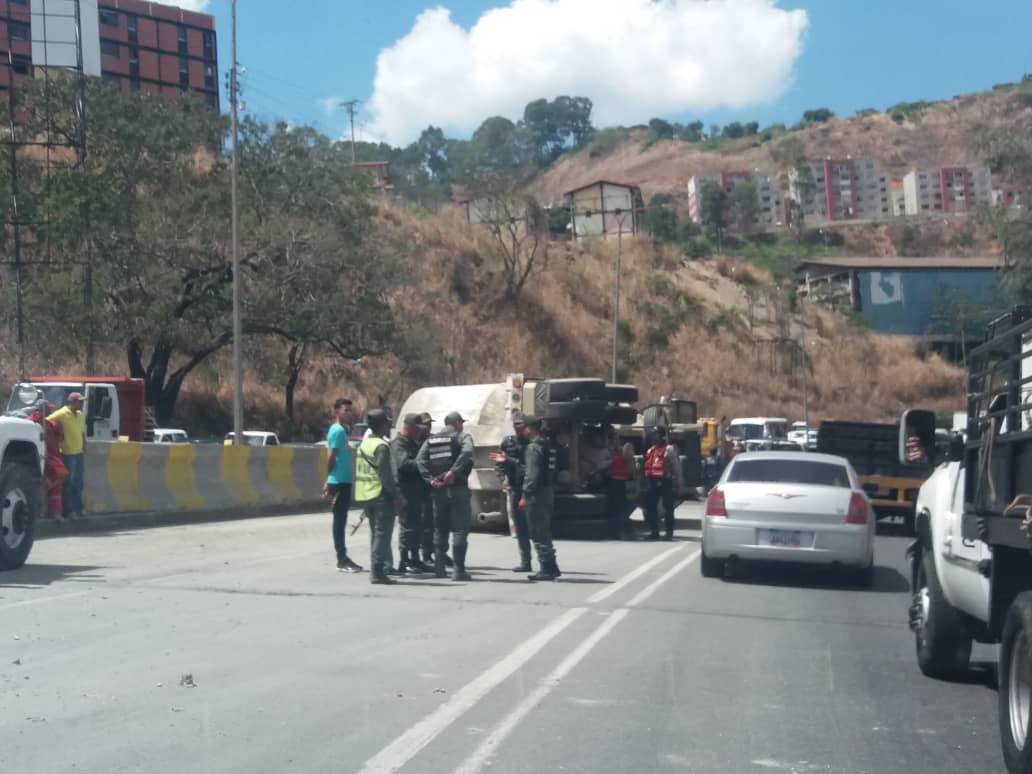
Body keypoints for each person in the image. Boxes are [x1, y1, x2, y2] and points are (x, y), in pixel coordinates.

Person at [417, 410, 474, 581]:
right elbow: (468, 452)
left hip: (438, 490)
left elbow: (420, 460)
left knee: (440, 530)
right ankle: (458, 571)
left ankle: (439, 569)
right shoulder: (461, 436)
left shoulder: (431, 439)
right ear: (457, 423)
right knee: (459, 529)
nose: (462, 425)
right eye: (461, 422)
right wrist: (453, 471)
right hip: (457, 489)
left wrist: (430, 480)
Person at [354, 409, 400, 585]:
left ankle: (376, 569)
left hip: (365, 495)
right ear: (382, 424)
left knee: (375, 533)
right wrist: (395, 496)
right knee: (382, 535)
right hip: (380, 495)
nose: (389, 425)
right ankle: (377, 571)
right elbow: (386, 475)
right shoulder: (381, 446)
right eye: (388, 422)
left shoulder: (363, 445)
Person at [322, 398, 362, 572]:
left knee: (342, 518)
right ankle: (341, 558)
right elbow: (331, 457)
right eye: (346, 410)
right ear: (337, 411)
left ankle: (344, 557)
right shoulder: (337, 430)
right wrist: (329, 480)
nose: (349, 413)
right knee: (339, 520)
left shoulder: (342, 431)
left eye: (350, 410)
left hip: (343, 481)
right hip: (338, 481)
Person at [519, 417, 560, 581]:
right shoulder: (548, 445)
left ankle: (546, 568)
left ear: (530, 428)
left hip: (537, 494)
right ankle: (552, 566)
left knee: (537, 531)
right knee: (544, 530)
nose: (522, 431)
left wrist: (525, 495)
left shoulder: (534, 447)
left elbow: (532, 475)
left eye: (524, 428)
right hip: (548, 491)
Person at [391, 413, 432, 574]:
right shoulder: (399, 444)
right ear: (407, 427)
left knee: (417, 527)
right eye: (416, 428)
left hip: (416, 492)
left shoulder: (412, 443)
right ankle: (404, 560)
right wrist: (422, 464)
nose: (419, 431)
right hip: (404, 492)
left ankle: (415, 559)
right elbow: (403, 465)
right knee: (407, 528)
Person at [492, 413, 531, 572]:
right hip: (515, 487)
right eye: (516, 425)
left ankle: (545, 561)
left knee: (535, 526)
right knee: (521, 527)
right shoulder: (508, 442)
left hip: (531, 488)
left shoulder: (533, 442)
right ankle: (525, 561)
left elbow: (529, 466)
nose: (518, 429)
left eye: (520, 425)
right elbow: (499, 463)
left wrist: (509, 461)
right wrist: (503, 479)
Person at [48, 392, 87, 519]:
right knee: (69, 482)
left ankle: (78, 508)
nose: (82, 404)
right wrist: (58, 430)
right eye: (80, 401)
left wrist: (84, 445)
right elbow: (47, 422)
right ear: (73, 402)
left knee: (79, 482)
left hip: (79, 452)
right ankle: (69, 510)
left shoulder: (81, 415)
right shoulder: (62, 414)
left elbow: (81, 432)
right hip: (67, 453)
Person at [644, 427, 681, 541]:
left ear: (661, 436)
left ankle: (669, 533)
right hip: (652, 482)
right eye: (652, 435)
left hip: (665, 481)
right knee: (651, 507)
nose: (653, 437)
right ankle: (654, 532)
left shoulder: (668, 449)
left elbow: (676, 467)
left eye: (655, 435)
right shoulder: (651, 450)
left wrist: (679, 482)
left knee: (668, 508)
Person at [606, 428, 633, 538]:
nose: (617, 440)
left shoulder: (623, 451)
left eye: (618, 438)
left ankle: (622, 531)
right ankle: (617, 532)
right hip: (613, 482)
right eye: (614, 438)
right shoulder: (608, 451)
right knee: (616, 508)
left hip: (621, 482)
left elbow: (630, 467)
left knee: (621, 508)